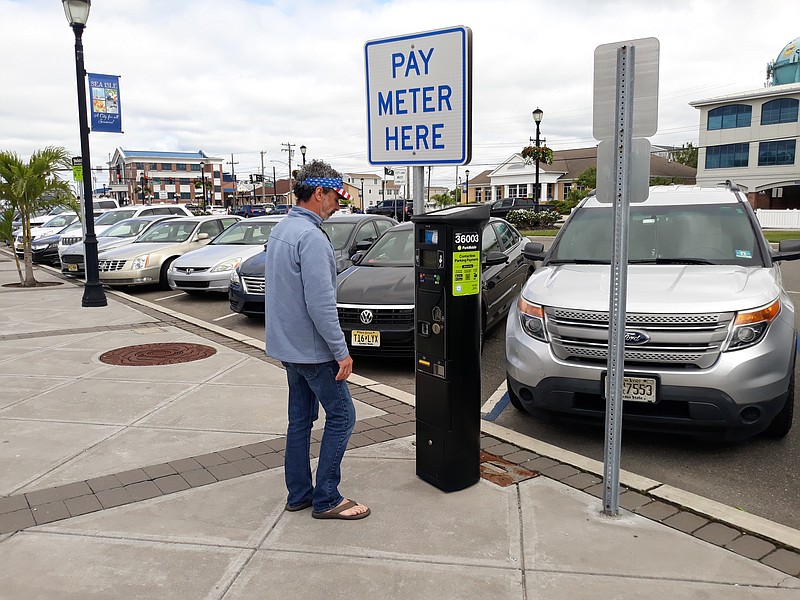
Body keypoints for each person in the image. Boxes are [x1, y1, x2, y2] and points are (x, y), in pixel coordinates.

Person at [264, 159, 370, 521]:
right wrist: (341, 352)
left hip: (288, 347)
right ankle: (326, 497)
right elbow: (320, 304)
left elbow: (281, 294)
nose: (339, 205)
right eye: (335, 197)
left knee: (300, 420)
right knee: (342, 416)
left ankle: (299, 494)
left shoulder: (282, 230)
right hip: (313, 351)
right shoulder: (311, 237)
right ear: (318, 193)